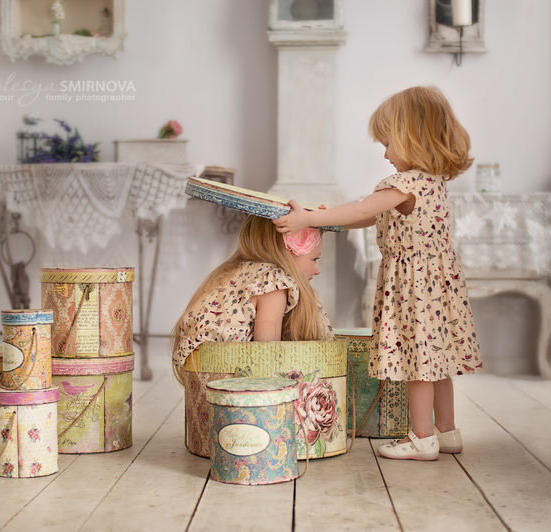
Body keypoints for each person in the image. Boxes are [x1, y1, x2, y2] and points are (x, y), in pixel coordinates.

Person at [274, 86, 482, 461]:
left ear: (413, 137)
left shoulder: (403, 184)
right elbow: (368, 217)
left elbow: (362, 209)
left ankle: (422, 438)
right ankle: (447, 432)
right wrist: (323, 219)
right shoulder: (433, 183)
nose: (385, 154)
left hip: (413, 289)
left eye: (388, 143)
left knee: (418, 364)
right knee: (437, 363)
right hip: (437, 288)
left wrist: (307, 218)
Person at [171, 214, 335, 384]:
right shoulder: (273, 282)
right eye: (315, 259)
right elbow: (266, 353)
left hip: (198, 374)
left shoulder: (234, 271)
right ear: (288, 252)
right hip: (230, 378)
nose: (317, 270)